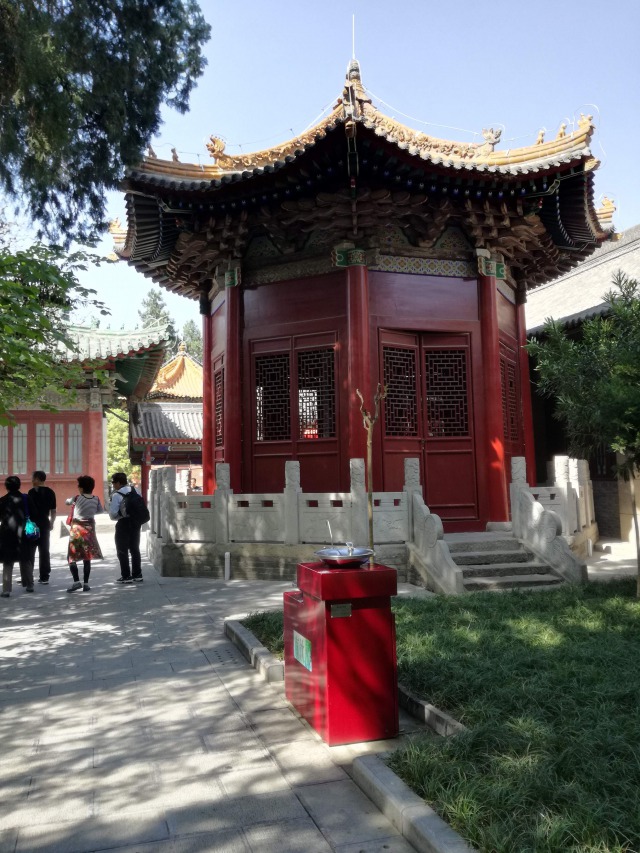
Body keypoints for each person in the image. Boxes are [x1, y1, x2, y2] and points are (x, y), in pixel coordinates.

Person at [0, 476, 37, 596]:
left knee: (8, 561)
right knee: (25, 559)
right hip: (23, 533)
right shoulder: (26, 498)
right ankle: (30, 585)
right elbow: (34, 514)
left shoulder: (2, 500)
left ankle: (6, 590)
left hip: (6, 534)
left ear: (6, 486)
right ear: (19, 485)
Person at [66, 475, 104, 592]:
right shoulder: (96, 498)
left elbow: (67, 502)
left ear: (81, 488)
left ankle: (76, 582)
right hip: (89, 530)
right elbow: (100, 510)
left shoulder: (77, 498)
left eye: (78, 486)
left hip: (77, 530)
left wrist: (72, 501)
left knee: (71, 556)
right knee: (87, 557)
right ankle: (86, 584)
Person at [109, 472, 143, 584]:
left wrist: (121, 515)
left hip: (123, 524)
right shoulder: (135, 491)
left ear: (118, 483)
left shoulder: (116, 495)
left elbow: (113, 514)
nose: (113, 484)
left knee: (122, 550)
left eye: (113, 482)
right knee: (135, 549)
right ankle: (137, 574)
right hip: (136, 523)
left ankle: (126, 576)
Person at [28, 470, 57, 584]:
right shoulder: (51, 492)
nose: (31, 480)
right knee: (44, 550)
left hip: (32, 525)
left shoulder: (31, 492)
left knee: (31, 550)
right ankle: (44, 576)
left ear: (37, 479)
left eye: (33, 478)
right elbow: (53, 511)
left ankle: (28, 575)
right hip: (45, 524)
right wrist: (52, 522)